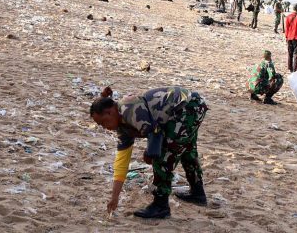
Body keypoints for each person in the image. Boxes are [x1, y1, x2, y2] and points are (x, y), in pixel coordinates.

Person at [89, 86, 209, 219]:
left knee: (163, 156)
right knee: (187, 151)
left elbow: (155, 133)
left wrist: (149, 154)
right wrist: (114, 197)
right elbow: (121, 164)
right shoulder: (122, 128)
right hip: (190, 107)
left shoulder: (128, 109)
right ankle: (198, 193)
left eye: (103, 123)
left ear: (110, 112)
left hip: (187, 107)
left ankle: (160, 206)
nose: (104, 127)